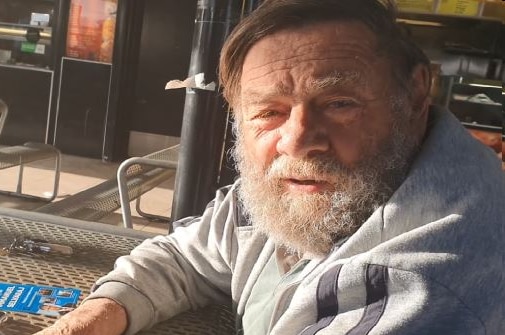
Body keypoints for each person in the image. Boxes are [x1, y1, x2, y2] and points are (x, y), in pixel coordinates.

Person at [35, 0, 505, 334]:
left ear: (416, 95)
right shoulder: (323, 182)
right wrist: (90, 319)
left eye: (339, 103)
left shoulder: (421, 285)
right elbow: (187, 258)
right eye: (269, 112)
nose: (298, 141)